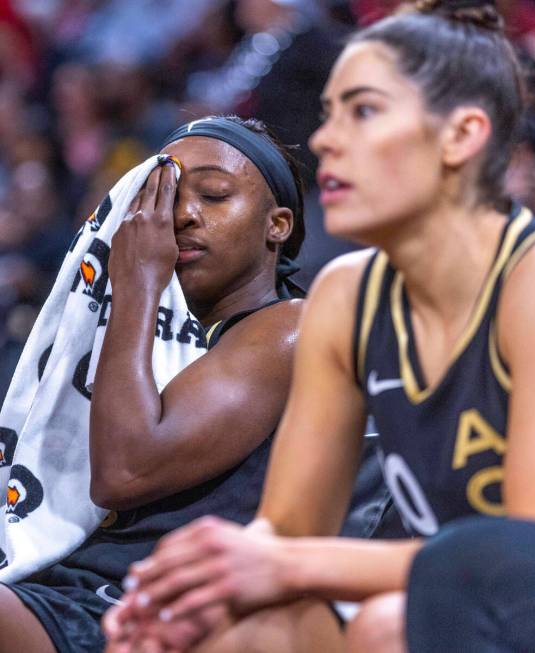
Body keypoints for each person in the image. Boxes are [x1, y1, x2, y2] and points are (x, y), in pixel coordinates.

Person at [109, 1, 535, 652]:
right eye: (328, 112)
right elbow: (287, 529)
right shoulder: (344, 291)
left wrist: (285, 563)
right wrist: (185, 588)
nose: (326, 138)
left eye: (361, 110)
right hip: (447, 598)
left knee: (387, 626)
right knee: (225, 629)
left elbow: (534, 555)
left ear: (460, 135)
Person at [0, 115, 309, 653]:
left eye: (214, 196)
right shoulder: (176, 341)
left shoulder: (291, 327)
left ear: (276, 225)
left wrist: (137, 282)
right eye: (167, 200)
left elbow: (124, 471)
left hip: (133, 608)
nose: (183, 216)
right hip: (73, 587)